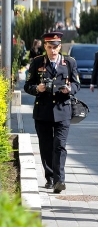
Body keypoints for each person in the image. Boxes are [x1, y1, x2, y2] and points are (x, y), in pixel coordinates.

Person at [24, 31, 80, 193]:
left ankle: (59, 179)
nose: (53, 50)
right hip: (43, 112)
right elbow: (28, 85)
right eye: (49, 47)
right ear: (45, 47)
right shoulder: (37, 62)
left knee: (60, 146)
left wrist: (69, 89)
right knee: (46, 146)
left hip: (63, 110)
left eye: (55, 47)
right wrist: (37, 88)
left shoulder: (69, 62)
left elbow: (77, 84)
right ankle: (49, 177)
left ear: (60, 46)